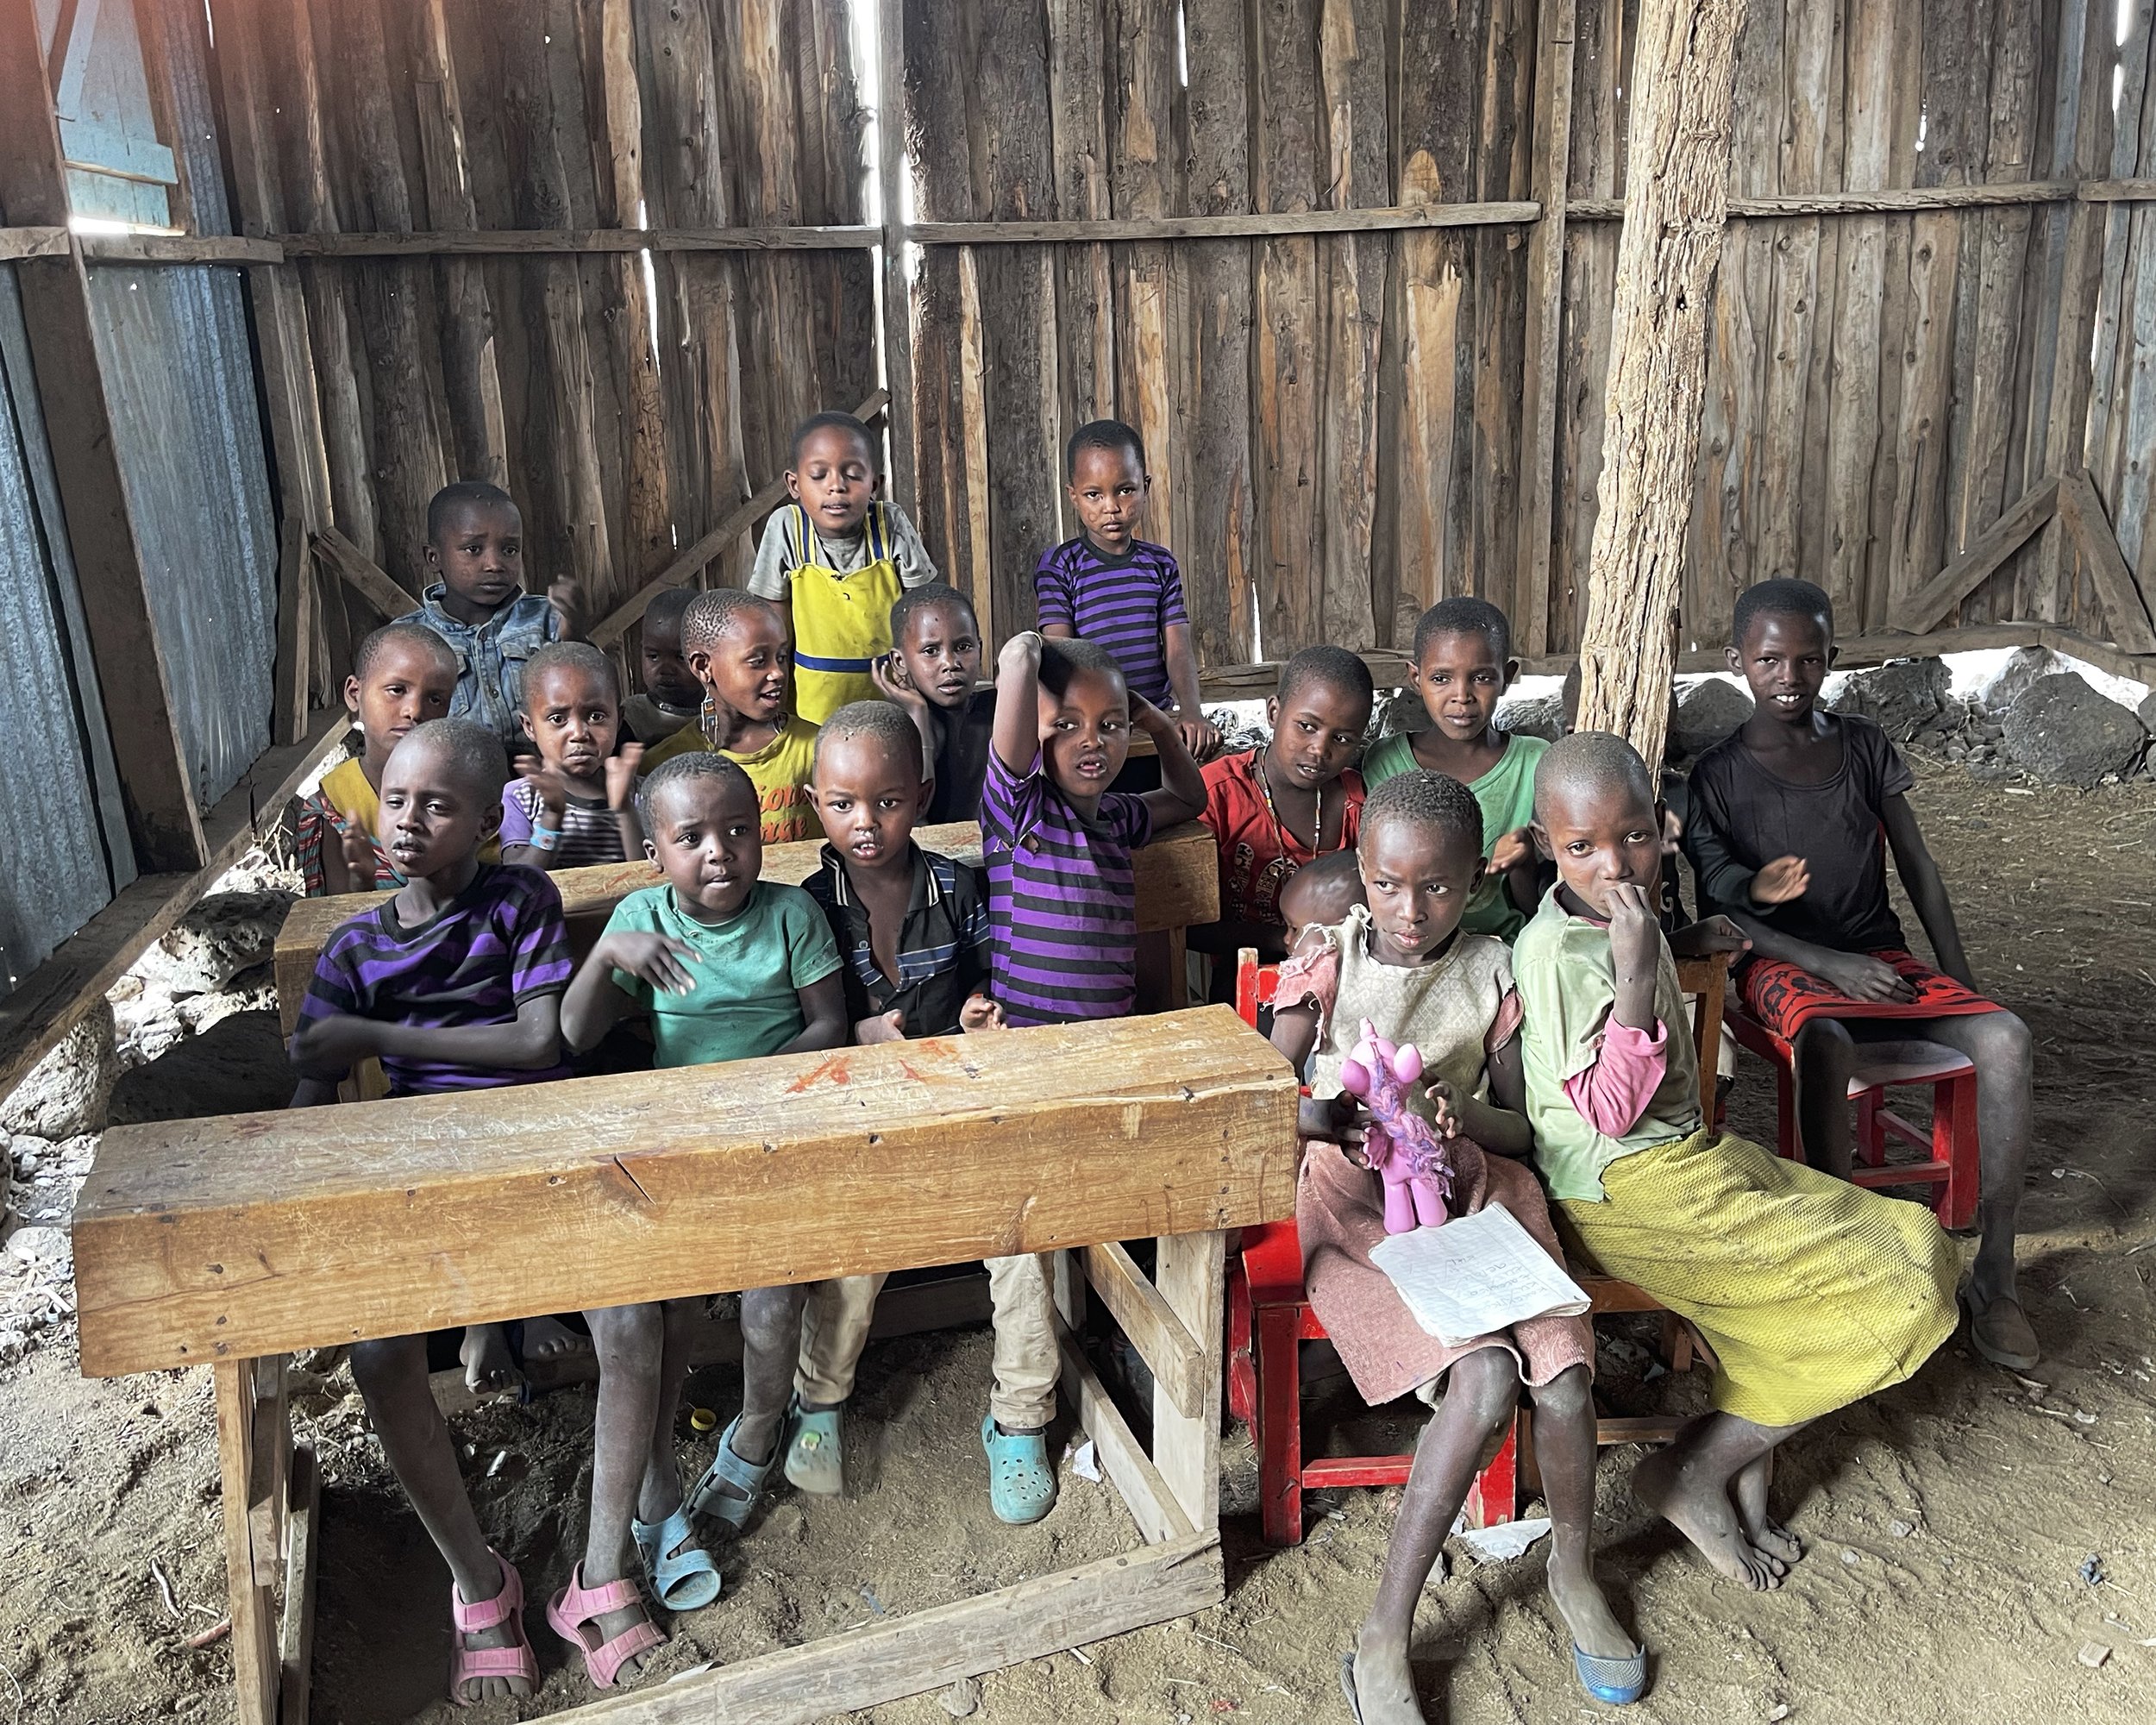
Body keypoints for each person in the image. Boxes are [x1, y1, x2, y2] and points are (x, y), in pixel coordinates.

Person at [1518, 731, 1958, 1593]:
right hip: (1623, 1190)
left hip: (1691, 1160)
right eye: (1580, 848)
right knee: (1898, 1290)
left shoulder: (1611, 920)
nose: (1614, 867)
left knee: (1913, 1236)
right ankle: (1691, 1467)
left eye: (1634, 837)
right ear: (1544, 846)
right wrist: (1640, 975)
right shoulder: (1555, 953)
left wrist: (1677, 938)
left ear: (1663, 825)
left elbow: (1635, 951)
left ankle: (1732, 1445)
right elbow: (1611, 1110)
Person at [286, 719, 669, 1699]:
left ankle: (597, 1572)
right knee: (378, 1355)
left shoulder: (518, 902)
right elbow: (307, 1104)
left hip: (539, 1152)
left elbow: (541, 1042)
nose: (410, 821)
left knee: (631, 1320)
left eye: (439, 803)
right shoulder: (354, 945)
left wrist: (363, 1032)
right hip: (426, 1174)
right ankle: (478, 1582)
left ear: (489, 817)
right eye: (398, 799)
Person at [1269, 770, 1643, 1719]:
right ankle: (1384, 1629)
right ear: (1361, 871)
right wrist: (1334, 1118)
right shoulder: (1330, 961)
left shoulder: (1491, 967)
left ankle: (1571, 1569)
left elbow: (1522, 1127)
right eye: (1389, 884)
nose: (1409, 908)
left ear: (1474, 876)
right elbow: (1266, 1101)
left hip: (1476, 1187)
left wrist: (1458, 1114)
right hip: (1358, 1204)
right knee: (1482, 1380)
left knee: (1560, 1377)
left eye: (1436, 886)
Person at [1683, 578, 2039, 1368]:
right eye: (1770, 659)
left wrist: (1963, 979)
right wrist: (1826, 962)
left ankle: (1998, 1271)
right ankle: (1844, 1253)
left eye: (1808, 660)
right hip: (1778, 963)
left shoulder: (1865, 746)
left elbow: (1919, 867)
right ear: (1737, 661)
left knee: (2006, 1037)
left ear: (1832, 661)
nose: (1789, 676)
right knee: (1828, 1040)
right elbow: (1727, 916)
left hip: (1878, 954)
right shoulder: (1716, 775)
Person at [559, 751, 846, 1606]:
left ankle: (757, 1430)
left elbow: (828, 1023)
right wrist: (611, 947)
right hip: (679, 1149)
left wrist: (746, 1090)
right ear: (656, 853)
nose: (719, 851)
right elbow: (574, 1035)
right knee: (662, 1309)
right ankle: (655, 1490)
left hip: (773, 1135)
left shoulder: (790, 913)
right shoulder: (643, 916)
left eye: (737, 830)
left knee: (771, 1302)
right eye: (692, 837)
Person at [787, 704, 1063, 1520]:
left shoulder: (954, 886)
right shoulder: (808, 906)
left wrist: (978, 1015)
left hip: (956, 1117)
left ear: (925, 794)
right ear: (814, 804)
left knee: (1022, 1242)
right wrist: (854, 1033)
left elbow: (985, 982)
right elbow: (803, 1025)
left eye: (889, 802)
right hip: (861, 1126)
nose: (865, 823)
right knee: (854, 1251)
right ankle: (821, 1403)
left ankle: (1019, 1419)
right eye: (842, 805)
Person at [982, 631, 1206, 1027]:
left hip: (1111, 1039)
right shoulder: (1018, 810)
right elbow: (1018, 656)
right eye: (1066, 724)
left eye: (1111, 724)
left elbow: (1189, 800)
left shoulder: (1119, 818)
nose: (1092, 740)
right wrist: (1037, 648)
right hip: (1026, 1044)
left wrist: (1158, 726)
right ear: (1030, 729)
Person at [1034, 419, 1220, 768]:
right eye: (1094, 494)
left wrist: (1191, 712)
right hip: (1093, 730)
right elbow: (1060, 655)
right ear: (1073, 494)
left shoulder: (1161, 564)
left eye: (1125, 490)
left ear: (1144, 486)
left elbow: (1177, 648)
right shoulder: (1059, 567)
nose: (1111, 507)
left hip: (1154, 721)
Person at [1362, 598, 1545, 940]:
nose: (1462, 695)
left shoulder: (1535, 764)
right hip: (1409, 951)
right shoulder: (1383, 763)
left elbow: (1538, 906)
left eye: (1482, 678)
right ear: (1416, 678)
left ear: (1507, 677)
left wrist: (1524, 861)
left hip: (1505, 949)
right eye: (1441, 678)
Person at [1191, 644, 1372, 985]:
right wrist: (1286, 941)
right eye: (1306, 726)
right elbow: (1187, 927)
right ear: (1274, 712)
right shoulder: (1217, 794)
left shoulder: (1359, 805)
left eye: (1343, 738)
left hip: (1342, 979)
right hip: (1242, 974)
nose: (1320, 750)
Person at [749, 411, 940, 725]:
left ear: (874, 483)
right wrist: (775, 707)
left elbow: (925, 613)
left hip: (893, 698)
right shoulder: (787, 529)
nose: (836, 486)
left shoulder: (889, 525)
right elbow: (774, 630)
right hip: (813, 708)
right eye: (819, 475)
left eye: (852, 474)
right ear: (794, 484)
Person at [396, 482, 583, 745]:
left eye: (509, 550)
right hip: (455, 781)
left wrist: (576, 636)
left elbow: (591, 700)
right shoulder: (407, 641)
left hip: (546, 779)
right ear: (433, 557)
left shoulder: (547, 620)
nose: (494, 565)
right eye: (473, 549)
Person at [637, 589, 820, 844]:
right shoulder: (665, 765)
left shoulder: (818, 748)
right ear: (703, 666)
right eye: (758, 661)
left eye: (781, 657)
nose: (778, 673)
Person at [298, 623, 460, 896]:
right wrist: (364, 880)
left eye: (435, 699)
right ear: (354, 695)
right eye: (396, 690)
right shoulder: (336, 805)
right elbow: (340, 915)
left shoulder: (464, 791)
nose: (414, 711)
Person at [502, 642, 645, 870]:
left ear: (618, 719)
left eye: (596, 716)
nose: (579, 734)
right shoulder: (521, 797)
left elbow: (649, 879)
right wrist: (552, 815)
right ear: (529, 727)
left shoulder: (639, 792)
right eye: (558, 719)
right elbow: (519, 879)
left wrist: (625, 810)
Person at [874, 582, 994, 822]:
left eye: (963, 647)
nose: (950, 663)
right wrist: (918, 718)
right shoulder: (891, 730)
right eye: (931, 651)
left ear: (979, 649)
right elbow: (915, 817)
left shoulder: (996, 709)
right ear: (899, 661)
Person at [623, 586, 704, 746]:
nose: (666, 670)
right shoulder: (633, 717)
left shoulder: (723, 712)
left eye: (681, 658)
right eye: (653, 657)